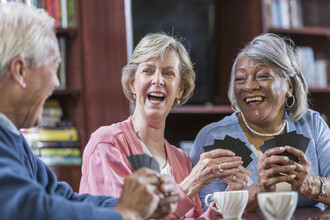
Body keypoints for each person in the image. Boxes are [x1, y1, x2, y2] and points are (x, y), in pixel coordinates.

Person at [0, 2, 180, 219]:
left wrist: (140, 205)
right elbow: (28, 210)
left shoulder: (12, 139)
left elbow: (62, 198)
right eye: (53, 67)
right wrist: (126, 212)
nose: (57, 83)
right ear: (20, 71)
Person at [79, 32, 250, 218]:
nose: (158, 80)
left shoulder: (181, 159)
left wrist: (229, 200)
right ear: (132, 84)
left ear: (180, 89)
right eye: (148, 70)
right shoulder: (108, 144)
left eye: (168, 73)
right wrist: (191, 184)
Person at [190, 33, 330, 211]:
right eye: (240, 79)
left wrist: (311, 184)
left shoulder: (312, 124)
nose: (248, 86)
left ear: (289, 85)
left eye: (263, 76)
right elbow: (207, 210)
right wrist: (259, 189)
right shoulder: (215, 136)